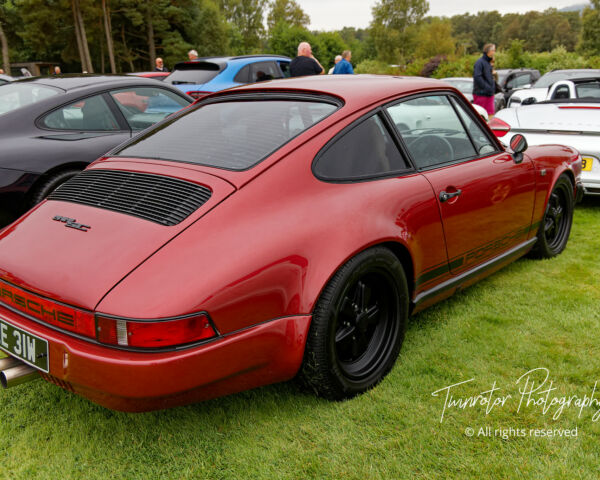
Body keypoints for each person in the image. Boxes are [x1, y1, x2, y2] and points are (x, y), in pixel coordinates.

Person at [472, 43, 496, 116]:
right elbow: (477, 77)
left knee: (490, 115)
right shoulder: (480, 62)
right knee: (480, 116)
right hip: (481, 94)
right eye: (493, 50)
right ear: (488, 51)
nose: (494, 52)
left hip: (489, 94)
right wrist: (486, 87)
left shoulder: (488, 63)